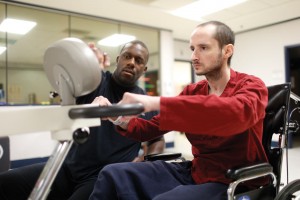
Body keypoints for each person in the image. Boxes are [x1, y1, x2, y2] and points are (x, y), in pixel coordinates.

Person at [89, 21, 269, 200]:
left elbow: (234, 114)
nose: (194, 56)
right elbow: (149, 130)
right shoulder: (192, 92)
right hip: (196, 172)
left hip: (234, 180)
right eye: (193, 49)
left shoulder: (251, 86)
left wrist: (154, 102)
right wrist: (116, 116)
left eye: (203, 48)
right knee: (112, 174)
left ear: (227, 51)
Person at [0, 40, 165, 200]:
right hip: (68, 167)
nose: (131, 62)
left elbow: (157, 140)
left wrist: (144, 162)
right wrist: (86, 59)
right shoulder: (94, 81)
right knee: (4, 183)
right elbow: (69, 84)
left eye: (138, 60)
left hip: (102, 177)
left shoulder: (144, 103)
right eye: (127, 56)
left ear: (144, 69)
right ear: (118, 59)